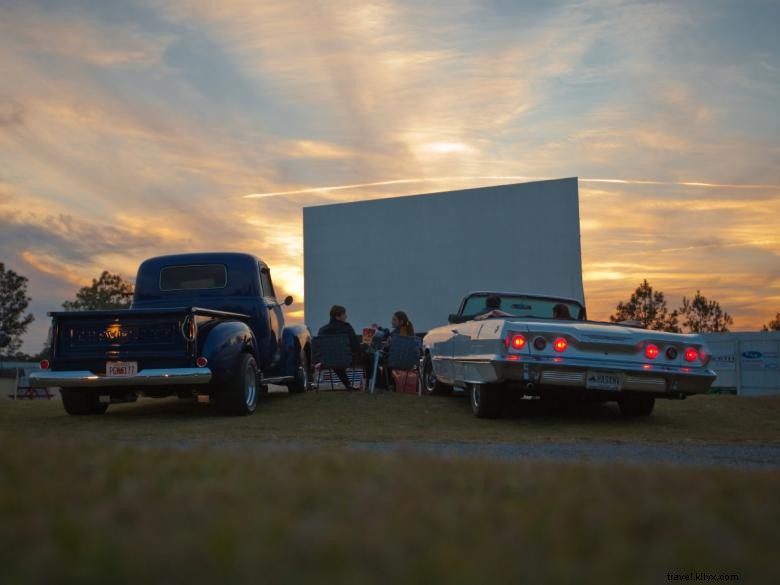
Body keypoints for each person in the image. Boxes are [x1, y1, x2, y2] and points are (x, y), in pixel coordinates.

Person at [317, 304, 363, 389]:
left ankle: (348, 385)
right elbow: (356, 347)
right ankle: (369, 384)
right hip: (346, 360)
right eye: (344, 314)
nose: (346, 316)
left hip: (327, 361)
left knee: (335, 357)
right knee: (367, 356)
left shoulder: (322, 330)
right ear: (337, 317)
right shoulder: (347, 328)